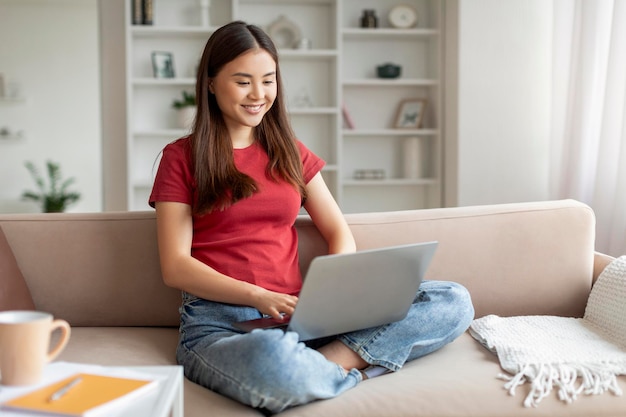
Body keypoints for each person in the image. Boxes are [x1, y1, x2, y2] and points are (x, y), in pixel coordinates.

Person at [149, 20, 474, 414]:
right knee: (271, 358)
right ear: (212, 83)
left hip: (304, 319)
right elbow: (176, 267)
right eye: (243, 81)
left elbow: (338, 230)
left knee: (451, 299)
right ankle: (350, 369)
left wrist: (333, 296)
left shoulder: (290, 152)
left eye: (268, 80)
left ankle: (322, 368)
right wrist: (257, 295)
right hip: (222, 325)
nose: (259, 94)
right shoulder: (181, 158)